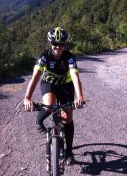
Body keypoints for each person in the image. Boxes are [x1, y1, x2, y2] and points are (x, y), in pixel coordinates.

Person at [24, 27, 84, 164]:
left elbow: (75, 77)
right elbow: (35, 77)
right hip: (49, 84)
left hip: (66, 86)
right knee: (49, 105)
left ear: (65, 44)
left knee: (67, 117)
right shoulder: (44, 57)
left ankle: (69, 152)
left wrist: (80, 97)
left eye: (61, 44)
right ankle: (39, 121)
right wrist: (27, 97)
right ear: (50, 43)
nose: (58, 47)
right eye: (55, 44)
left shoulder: (69, 57)